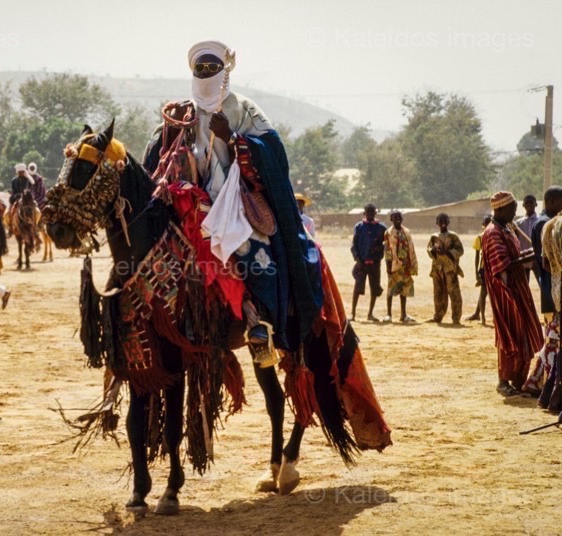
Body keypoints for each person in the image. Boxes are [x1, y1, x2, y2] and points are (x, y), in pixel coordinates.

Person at [141, 40, 391, 493]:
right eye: (200, 65)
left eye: (213, 65)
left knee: (258, 260)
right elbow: (153, 166)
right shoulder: (177, 114)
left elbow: (275, 155)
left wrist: (234, 140)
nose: (206, 71)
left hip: (240, 213)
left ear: (227, 68)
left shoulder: (246, 110)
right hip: (194, 212)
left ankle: (264, 324)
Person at [482, 191, 543, 397]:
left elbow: (514, 256)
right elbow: (502, 265)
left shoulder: (506, 228)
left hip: (518, 289)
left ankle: (519, 381)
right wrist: (530, 257)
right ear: (499, 209)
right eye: (511, 209)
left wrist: (530, 254)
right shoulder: (493, 233)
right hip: (505, 293)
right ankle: (503, 381)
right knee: (509, 336)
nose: (514, 213)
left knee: (524, 333)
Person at [531, 187, 562, 403]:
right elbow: (544, 264)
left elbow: (543, 262)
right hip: (552, 290)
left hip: (553, 289)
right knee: (553, 342)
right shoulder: (549, 224)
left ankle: (546, 389)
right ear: (550, 201)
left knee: (553, 342)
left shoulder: (547, 223)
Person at [351, 203, 387, 322]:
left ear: (375, 213)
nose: (370, 214)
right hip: (361, 262)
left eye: (372, 212)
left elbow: (387, 243)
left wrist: (380, 248)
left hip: (375, 263)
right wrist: (357, 259)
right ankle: (353, 314)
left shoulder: (382, 228)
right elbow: (354, 245)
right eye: (368, 212)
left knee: (374, 288)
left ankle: (370, 314)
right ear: (364, 213)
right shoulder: (359, 226)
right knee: (357, 287)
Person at [427, 213, 464, 324]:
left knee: (454, 294)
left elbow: (460, 250)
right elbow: (428, 249)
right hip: (437, 269)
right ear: (437, 223)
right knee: (438, 294)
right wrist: (433, 251)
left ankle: (456, 318)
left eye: (445, 220)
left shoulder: (453, 236)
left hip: (450, 269)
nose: (442, 222)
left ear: (448, 222)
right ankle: (438, 316)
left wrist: (447, 252)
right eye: (440, 220)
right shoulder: (434, 237)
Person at [383, 210, 418, 323]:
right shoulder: (388, 233)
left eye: (399, 217)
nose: (397, 219)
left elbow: (410, 248)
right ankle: (389, 314)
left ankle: (403, 314)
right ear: (391, 219)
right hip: (394, 265)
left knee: (404, 290)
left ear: (402, 218)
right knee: (391, 289)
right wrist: (388, 266)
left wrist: (412, 264)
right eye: (395, 217)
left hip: (406, 266)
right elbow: (387, 250)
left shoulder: (406, 232)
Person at [465, 215, 492, 325]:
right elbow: (477, 256)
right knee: (484, 292)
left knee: (491, 293)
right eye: (486, 223)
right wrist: (476, 272)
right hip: (484, 268)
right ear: (483, 224)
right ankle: (483, 318)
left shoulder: (495, 236)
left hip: (494, 267)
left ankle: (480, 315)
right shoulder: (480, 237)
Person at [516, 194, 540, 284]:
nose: (529, 204)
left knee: (542, 284)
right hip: (524, 259)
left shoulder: (540, 221)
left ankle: (545, 298)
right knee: (524, 285)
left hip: (537, 258)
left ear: (536, 204)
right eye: (527, 202)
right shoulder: (518, 223)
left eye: (531, 202)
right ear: (523, 205)